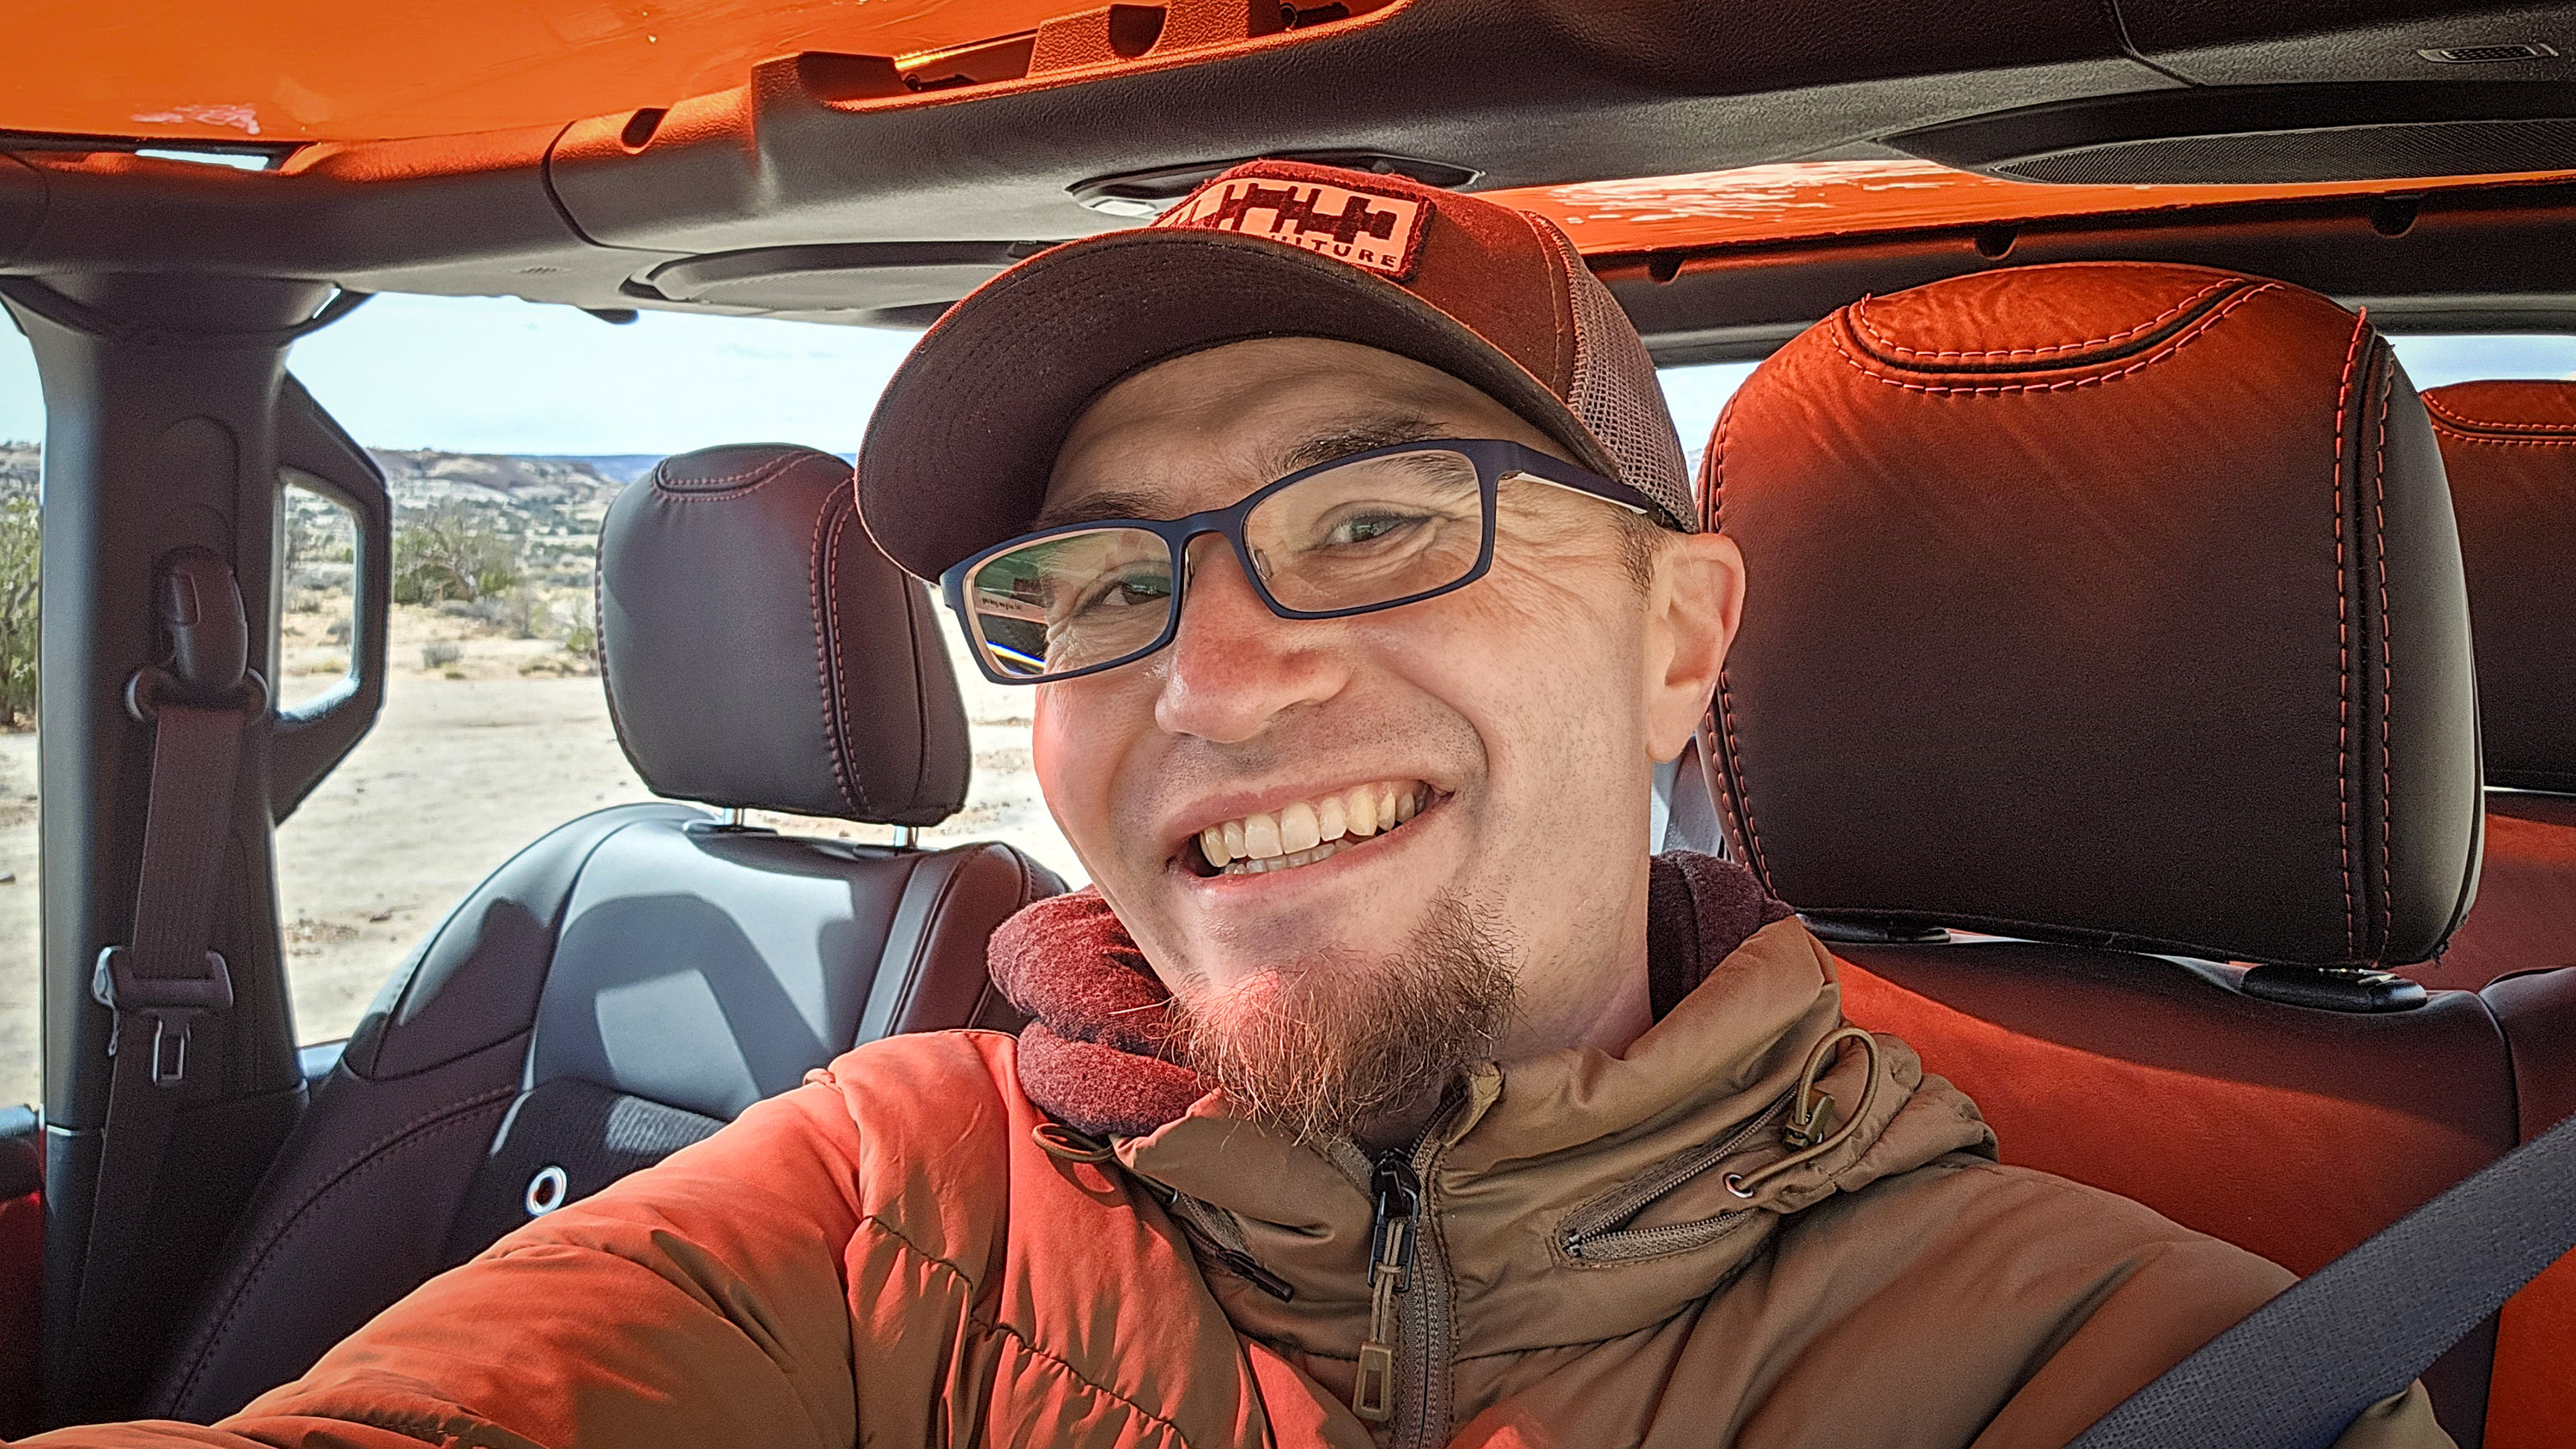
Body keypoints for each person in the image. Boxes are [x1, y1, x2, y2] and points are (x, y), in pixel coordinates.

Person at [17, 160, 2448, 1449]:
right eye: (1089, 582)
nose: (1209, 674)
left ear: (1682, 637)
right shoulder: (885, 1190)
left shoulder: (2150, 1373)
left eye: (1377, 520)